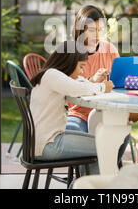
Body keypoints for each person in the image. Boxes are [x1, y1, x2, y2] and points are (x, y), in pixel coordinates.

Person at [29, 41, 114, 173]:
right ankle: (83, 186)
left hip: (42, 142)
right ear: (69, 62)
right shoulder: (52, 75)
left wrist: (94, 79)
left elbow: (78, 82)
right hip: (48, 145)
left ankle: (83, 185)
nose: (81, 71)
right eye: (81, 67)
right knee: (105, 145)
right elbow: (77, 88)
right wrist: (103, 87)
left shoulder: (51, 74)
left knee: (100, 145)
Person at [66, 5, 133, 167]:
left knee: (123, 134)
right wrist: (92, 80)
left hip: (106, 113)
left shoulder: (109, 49)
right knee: (81, 137)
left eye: (100, 29)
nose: (96, 35)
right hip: (78, 114)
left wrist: (136, 78)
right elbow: (68, 90)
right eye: (91, 30)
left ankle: (102, 174)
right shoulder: (70, 52)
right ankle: (92, 178)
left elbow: (120, 81)